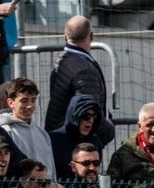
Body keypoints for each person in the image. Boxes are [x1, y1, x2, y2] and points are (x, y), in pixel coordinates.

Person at [45, 16, 114, 148]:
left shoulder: (62, 61)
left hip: (62, 140)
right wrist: (109, 130)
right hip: (78, 147)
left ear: (65, 37)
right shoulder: (85, 69)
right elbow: (87, 112)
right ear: (91, 36)